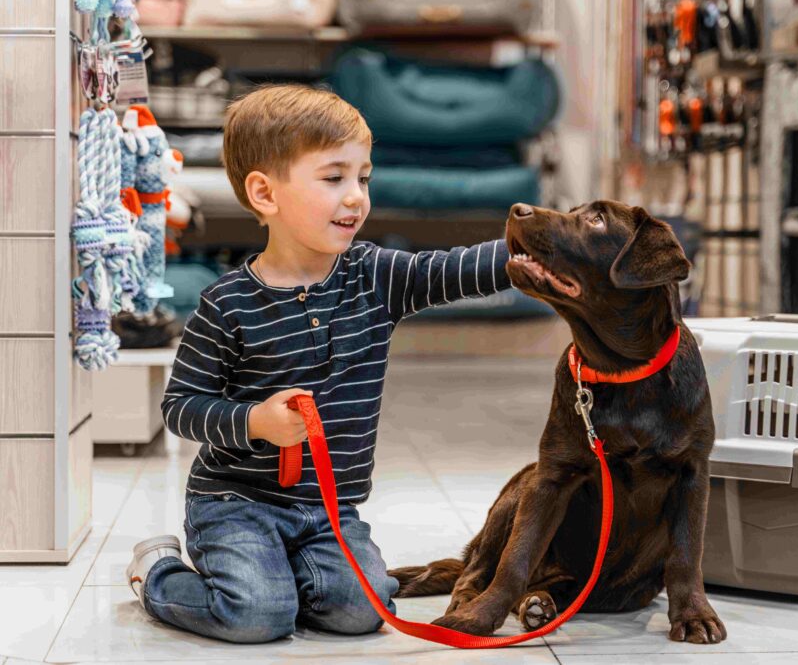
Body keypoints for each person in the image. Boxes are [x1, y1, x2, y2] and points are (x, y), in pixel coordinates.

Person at [125, 84, 512, 643]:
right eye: (334, 179)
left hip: (329, 511)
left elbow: (450, 269)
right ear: (264, 193)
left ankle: (284, 580)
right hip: (235, 503)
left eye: (363, 177)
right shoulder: (227, 302)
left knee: (363, 611)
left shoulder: (373, 275)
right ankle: (158, 572)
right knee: (256, 616)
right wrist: (255, 421)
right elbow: (180, 407)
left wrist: (536, 246)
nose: (356, 197)